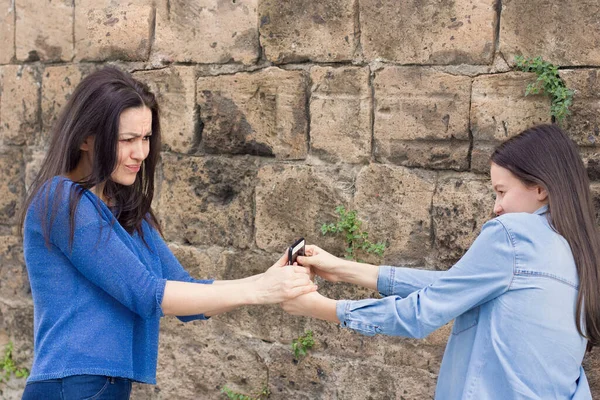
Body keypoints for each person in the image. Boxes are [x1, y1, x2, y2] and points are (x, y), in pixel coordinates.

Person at [19, 67, 317, 400]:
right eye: (127, 140)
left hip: (101, 386)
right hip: (71, 384)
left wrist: (265, 279)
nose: (141, 153)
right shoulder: (62, 199)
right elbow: (146, 294)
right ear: (86, 139)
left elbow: (186, 295)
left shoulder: (128, 212)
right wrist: (259, 291)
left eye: (145, 138)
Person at [282, 124, 599, 399]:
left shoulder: (514, 234)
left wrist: (319, 307)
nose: (496, 207)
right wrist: (344, 269)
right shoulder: (577, 252)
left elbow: (422, 313)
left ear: (540, 188)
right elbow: (458, 288)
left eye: (501, 191)